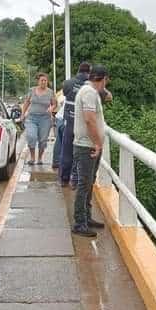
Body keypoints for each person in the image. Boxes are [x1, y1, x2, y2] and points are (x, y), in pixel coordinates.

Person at [72, 65, 110, 237]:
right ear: (103, 79)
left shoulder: (89, 91)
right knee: (84, 184)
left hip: (89, 145)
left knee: (88, 183)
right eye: (106, 80)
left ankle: (86, 218)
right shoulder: (89, 93)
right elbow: (89, 119)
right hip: (86, 146)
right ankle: (80, 223)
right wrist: (97, 143)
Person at [60, 62, 91, 186]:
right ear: (89, 72)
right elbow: (107, 96)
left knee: (66, 151)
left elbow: (64, 94)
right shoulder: (90, 86)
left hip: (69, 122)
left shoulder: (68, 83)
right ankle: (75, 180)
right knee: (81, 153)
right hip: (83, 126)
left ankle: (64, 179)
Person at [21, 73, 56, 165]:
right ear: (38, 81)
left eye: (45, 80)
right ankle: (32, 157)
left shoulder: (50, 92)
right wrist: (22, 114)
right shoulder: (32, 90)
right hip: (31, 118)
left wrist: (51, 108)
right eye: (42, 80)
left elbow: (54, 104)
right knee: (31, 137)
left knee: (43, 140)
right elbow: (26, 102)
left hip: (45, 119)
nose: (44, 82)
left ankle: (40, 158)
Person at [51, 88, 66, 169]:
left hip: (59, 117)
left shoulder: (62, 93)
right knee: (65, 142)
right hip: (64, 119)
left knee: (59, 141)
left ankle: (56, 161)